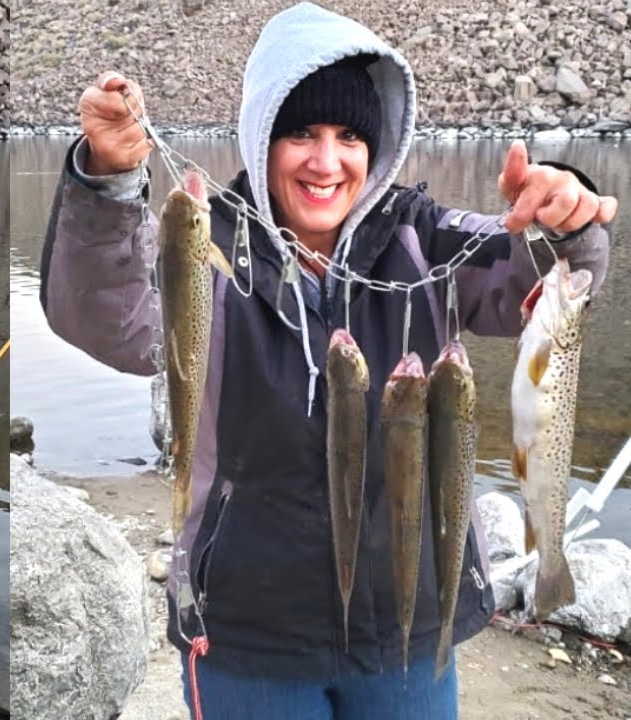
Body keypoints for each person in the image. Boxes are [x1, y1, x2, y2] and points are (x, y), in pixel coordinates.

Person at [39, 3, 615, 718]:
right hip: (251, 629)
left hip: (410, 624)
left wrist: (566, 219)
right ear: (260, 138)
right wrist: (107, 186)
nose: (326, 160)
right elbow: (103, 319)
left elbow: (536, 280)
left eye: (348, 136)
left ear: (377, 146)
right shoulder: (213, 249)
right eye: (301, 133)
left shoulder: (424, 237)